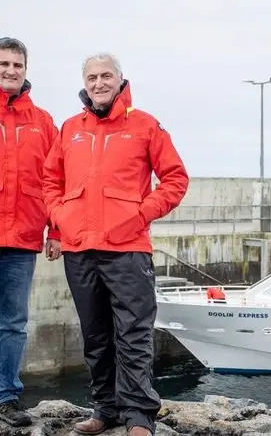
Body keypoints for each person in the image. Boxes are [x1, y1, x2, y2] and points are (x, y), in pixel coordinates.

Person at [43, 53, 189, 436]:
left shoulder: (144, 125)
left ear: (120, 79)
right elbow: (50, 181)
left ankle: (139, 414)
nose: (99, 82)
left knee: (133, 334)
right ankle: (105, 408)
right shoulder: (70, 128)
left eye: (106, 75)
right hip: (79, 248)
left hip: (127, 247)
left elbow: (175, 179)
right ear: (84, 83)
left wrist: (141, 214)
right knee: (95, 334)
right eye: (92, 77)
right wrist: (59, 217)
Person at [0, 37, 61, 427]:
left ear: (26, 69)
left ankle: (6, 396)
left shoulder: (43, 123)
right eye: (3, 64)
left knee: (12, 324)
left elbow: (58, 180)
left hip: (22, 240)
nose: (9, 71)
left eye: (16, 65)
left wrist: (56, 229)